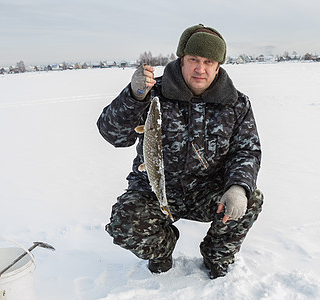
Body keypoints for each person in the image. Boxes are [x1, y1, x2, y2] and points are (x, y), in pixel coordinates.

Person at [97, 24, 263, 279]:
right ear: (181, 60)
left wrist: (238, 187)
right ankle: (161, 250)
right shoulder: (153, 93)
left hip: (206, 191)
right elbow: (113, 135)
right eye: (193, 59)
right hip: (155, 188)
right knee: (124, 223)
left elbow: (246, 151)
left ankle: (217, 254)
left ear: (218, 65)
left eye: (209, 61)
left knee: (248, 200)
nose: (200, 68)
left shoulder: (236, 103)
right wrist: (132, 96)